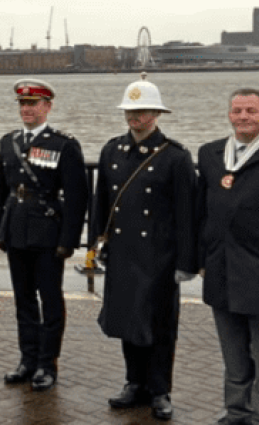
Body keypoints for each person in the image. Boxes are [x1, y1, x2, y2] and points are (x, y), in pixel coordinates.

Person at [90, 78, 194, 420]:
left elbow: (186, 214)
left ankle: (160, 390)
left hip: (159, 257)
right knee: (127, 320)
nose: (135, 117)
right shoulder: (112, 151)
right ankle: (134, 383)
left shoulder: (175, 157)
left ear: (156, 113)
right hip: (122, 252)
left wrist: (186, 261)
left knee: (161, 325)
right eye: (130, 111)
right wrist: (95, 245)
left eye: (142, 111)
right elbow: (101, 203)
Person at [0, 78, 88, 391]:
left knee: (50, 300)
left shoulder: (63, 144)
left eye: (33, 104)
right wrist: (0, 229)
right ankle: (27, 359)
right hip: (17, 229)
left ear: (47, 106)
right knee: (23, 300)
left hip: (48, 233)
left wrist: (68, 241)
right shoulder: (8, 142)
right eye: (23, 104)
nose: (27, 109)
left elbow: (77, 197)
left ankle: (47, 364)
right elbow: (2, 191)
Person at [195, 88, 259, 425]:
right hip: (222, 271)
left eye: (251, 111)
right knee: (233, 355)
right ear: (229, 115)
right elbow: (201, 211)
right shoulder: (210, 154)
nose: (243, 117)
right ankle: (236, 411)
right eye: (237, 111)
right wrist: (199, 258)